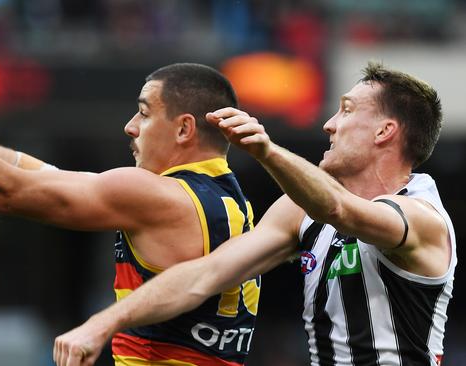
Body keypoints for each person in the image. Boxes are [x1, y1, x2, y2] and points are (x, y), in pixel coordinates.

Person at [0, 61, 261, 365]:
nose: (131, 126)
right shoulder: (233, 201)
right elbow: (52, 176)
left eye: (145, 114)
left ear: (184, 129)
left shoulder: (154, 194)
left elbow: (9, 192)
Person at [53, 62, 456, 366]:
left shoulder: (421, 216)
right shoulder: (299, 212)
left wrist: (267, 151)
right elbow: (203, 276)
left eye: (347, 111)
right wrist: (103, 323)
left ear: (384, 131)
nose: (330, 125)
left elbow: (338, 210)